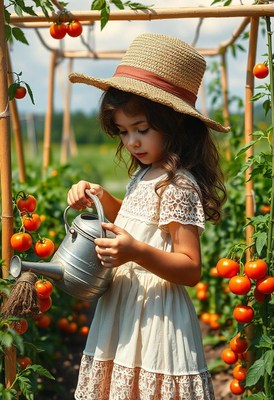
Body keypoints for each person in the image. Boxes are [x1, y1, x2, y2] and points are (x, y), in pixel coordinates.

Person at [67, 33, 229, 400]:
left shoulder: (178, 185)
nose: (132, 143)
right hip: (125, 304)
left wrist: (136, 252)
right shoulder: (146, 173)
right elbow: (131, 217)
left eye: (142, 129)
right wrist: (98, 195)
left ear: (175, 125)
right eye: (123, 133)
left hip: (157, 313)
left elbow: (190, 268)